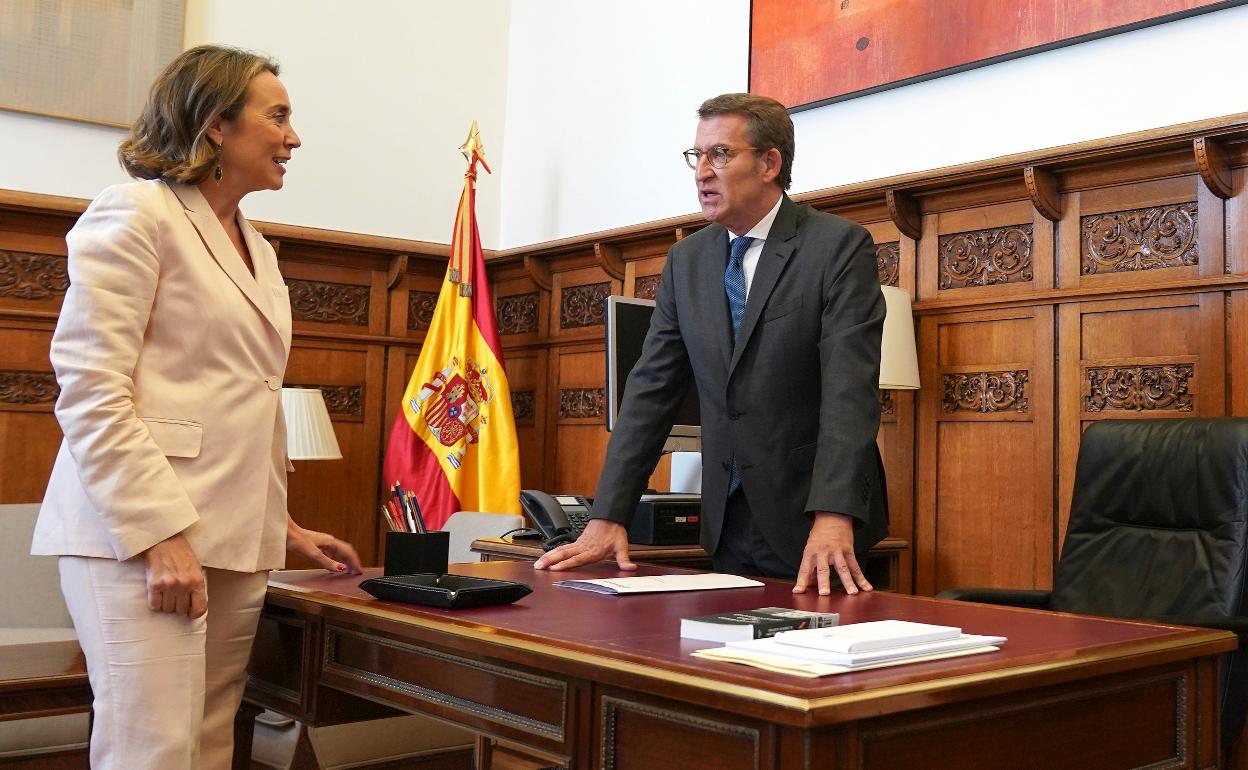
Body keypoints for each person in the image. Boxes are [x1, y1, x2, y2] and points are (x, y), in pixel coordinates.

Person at [30, 45, 363, 769]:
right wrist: (157, 534)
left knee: (209, 748)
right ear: (216, 124)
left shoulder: (260, 250)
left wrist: (284, 525)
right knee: (151, 751)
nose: (293, 137)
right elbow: (89, 387)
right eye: (277, 116)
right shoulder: (136, 214)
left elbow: (234, 401)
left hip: (232, 544)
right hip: (137, 543)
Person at [535, 93, 887, 595]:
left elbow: (849, 392)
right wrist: (608, 514)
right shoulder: (687, 261)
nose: (702, 171)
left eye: (720, 154)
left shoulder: (837, 247)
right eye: (696, 155)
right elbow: (651, 390)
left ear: (770, 163)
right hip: (725, 518)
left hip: (815, 520)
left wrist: (834, 514)